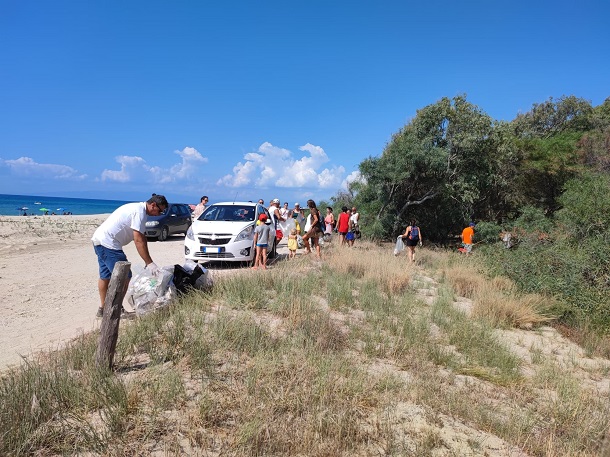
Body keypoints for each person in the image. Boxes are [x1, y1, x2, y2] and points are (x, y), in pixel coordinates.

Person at [91, 194, 168, 318]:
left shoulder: (138, 209)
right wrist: (149, 263)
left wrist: (148, 260)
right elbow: (138, 240)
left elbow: (142, 237)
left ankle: (103, 309)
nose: (159, 214)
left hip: (99, 240)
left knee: (105, 276)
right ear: (153, 205)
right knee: (124, 276)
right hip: (109, 243)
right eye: (160, 210)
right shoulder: (139, 212)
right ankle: (115, 310)